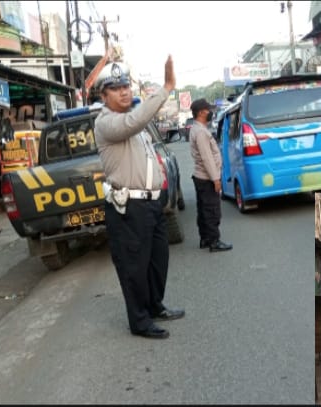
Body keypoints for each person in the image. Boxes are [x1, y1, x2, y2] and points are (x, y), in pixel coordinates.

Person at [94, 57, 185, 339]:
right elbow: (135, 120)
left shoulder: (133, 123)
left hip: (151, 204)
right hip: (129, 208)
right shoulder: (107, 123)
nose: (123, 91)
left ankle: (155, 306)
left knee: (158, 260)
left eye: (125, 86)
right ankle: (140, 322)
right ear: (103, 95)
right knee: (134, 267)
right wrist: (167, 87)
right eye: (115, 88)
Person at [189, 98, 232, 252]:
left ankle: (206, 238)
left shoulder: (198, 129)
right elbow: (207, 158)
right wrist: (215, 179)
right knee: (212, 210)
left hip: (201, 177)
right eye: (208, 110)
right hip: (206, 178)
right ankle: (214, 241)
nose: (211, 113)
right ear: (201, 112)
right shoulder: (200, 132)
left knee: (204, 210)